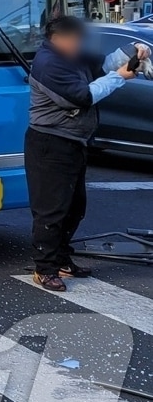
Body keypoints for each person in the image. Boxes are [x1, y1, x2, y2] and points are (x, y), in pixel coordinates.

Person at [25, 16, 149, 291]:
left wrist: (134, 49)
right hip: (50, 143)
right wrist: (120, 77)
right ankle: (45, 269)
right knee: (52, 210)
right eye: (74, 40)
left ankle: (61, 260)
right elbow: (82, 96)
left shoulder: (73, 55)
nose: (78, 45)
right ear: (57, 39)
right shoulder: (49, 64)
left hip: (74, 141)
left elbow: (102, 63)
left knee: (74, 206)